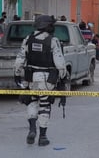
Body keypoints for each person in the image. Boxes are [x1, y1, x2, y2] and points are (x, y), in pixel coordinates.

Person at [14, 15, 66, 147]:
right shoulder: (53, 41)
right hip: (46, 80)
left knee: (31, 102)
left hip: (30, 77)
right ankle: (42, 137)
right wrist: (63, 78)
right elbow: (60, 63)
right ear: (47, 26)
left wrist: (17, 73)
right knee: (44, 105)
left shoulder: (28, 39)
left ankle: (32, 128)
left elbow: (20, 58)